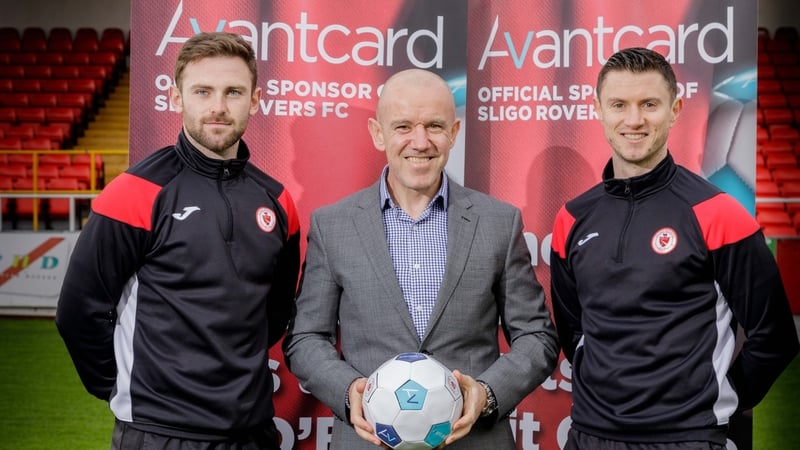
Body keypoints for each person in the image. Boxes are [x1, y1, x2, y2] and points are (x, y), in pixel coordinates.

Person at [282, 68, 559, 449]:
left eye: (434, 125)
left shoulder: (498, 222)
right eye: (403, 127)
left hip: (474, 441)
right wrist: (350, 393)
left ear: (454, 132)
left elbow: (536, 336)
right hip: (368, 442)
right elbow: (307, 337)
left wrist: (487, 394)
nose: (420, 141)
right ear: (378, 133)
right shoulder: (334, 225)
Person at [55, 32, 300, 450]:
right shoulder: (134, 192)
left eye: (233, 92)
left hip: (253, 432)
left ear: (256, 100)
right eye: (202, 91)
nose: (218, 107)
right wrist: (126, 391)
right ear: (176, 97)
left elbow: (275, 313)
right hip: (159, 434)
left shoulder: (277, 201)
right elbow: (79, 312)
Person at [550, 47, 799, 449]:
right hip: (589, 436)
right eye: (619, 104)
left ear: (675, 108)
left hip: (687, 439)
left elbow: (776, 338)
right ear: (598, 109)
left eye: (649, 104)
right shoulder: (572, 218)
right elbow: (575, 331)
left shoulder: (717, 214)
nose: (634, 120)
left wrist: (717, 401)